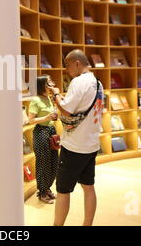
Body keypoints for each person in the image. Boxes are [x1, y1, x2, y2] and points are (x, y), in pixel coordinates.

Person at [50, 49, 104, 226]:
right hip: (91, 144)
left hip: (74, 146)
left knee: (63, 190)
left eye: (67, 65)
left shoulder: (78, 82)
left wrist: (56, 93)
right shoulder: (97, 83)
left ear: (77, 63)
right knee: (88, 187)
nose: (67, 70)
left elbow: (66, 109)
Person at [28, 75, 59, 204]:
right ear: (42, 85)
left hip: (51, 132)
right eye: (48, 82)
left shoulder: (49, 98)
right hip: (41, 132)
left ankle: (47, 188)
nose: (51, 83)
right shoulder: (35, 100)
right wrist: (46, 118)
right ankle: (42, 192)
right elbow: (31, 120)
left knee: (54, 162)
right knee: (43, 163)